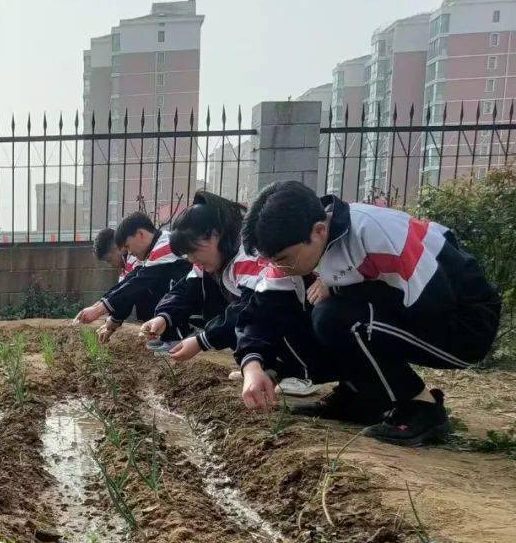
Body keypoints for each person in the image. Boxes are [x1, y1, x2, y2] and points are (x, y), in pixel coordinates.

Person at [241, 180, 501, 446]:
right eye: (271, 261)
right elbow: (262, 312)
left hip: (462, 322)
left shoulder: (376, 233)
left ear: (318, 231)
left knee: (335, 318)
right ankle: (359, 396)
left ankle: (422, 407)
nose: (279, 267)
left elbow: (433, 303)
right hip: (415, 309)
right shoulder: (301, 250)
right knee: (308, 313)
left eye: (283, 259)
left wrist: (344, 289)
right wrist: (253, 366)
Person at [139, 191, 323, 397]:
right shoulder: (215, 259)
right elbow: (185, 290)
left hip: (305, 316)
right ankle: (267, 369)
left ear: (215, 235)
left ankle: (303, 373)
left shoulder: (248, 256)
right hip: (272, 315)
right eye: (187, 254)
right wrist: (163, 317)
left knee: (260, 316)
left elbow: (249, 310)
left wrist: (202, 341)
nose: (192, 259)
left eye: (194, 250)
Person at [74, 212, 199, 350]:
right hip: (194, 295)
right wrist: (99, 308)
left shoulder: (164, 247)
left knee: (152, 285)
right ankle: (169, 334)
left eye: (127, 247)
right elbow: (129, 282)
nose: (129, 252)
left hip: (200, 300)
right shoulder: (154, 250)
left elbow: (137, 284)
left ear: (140, 234)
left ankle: (179, 334)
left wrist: (99, 311)